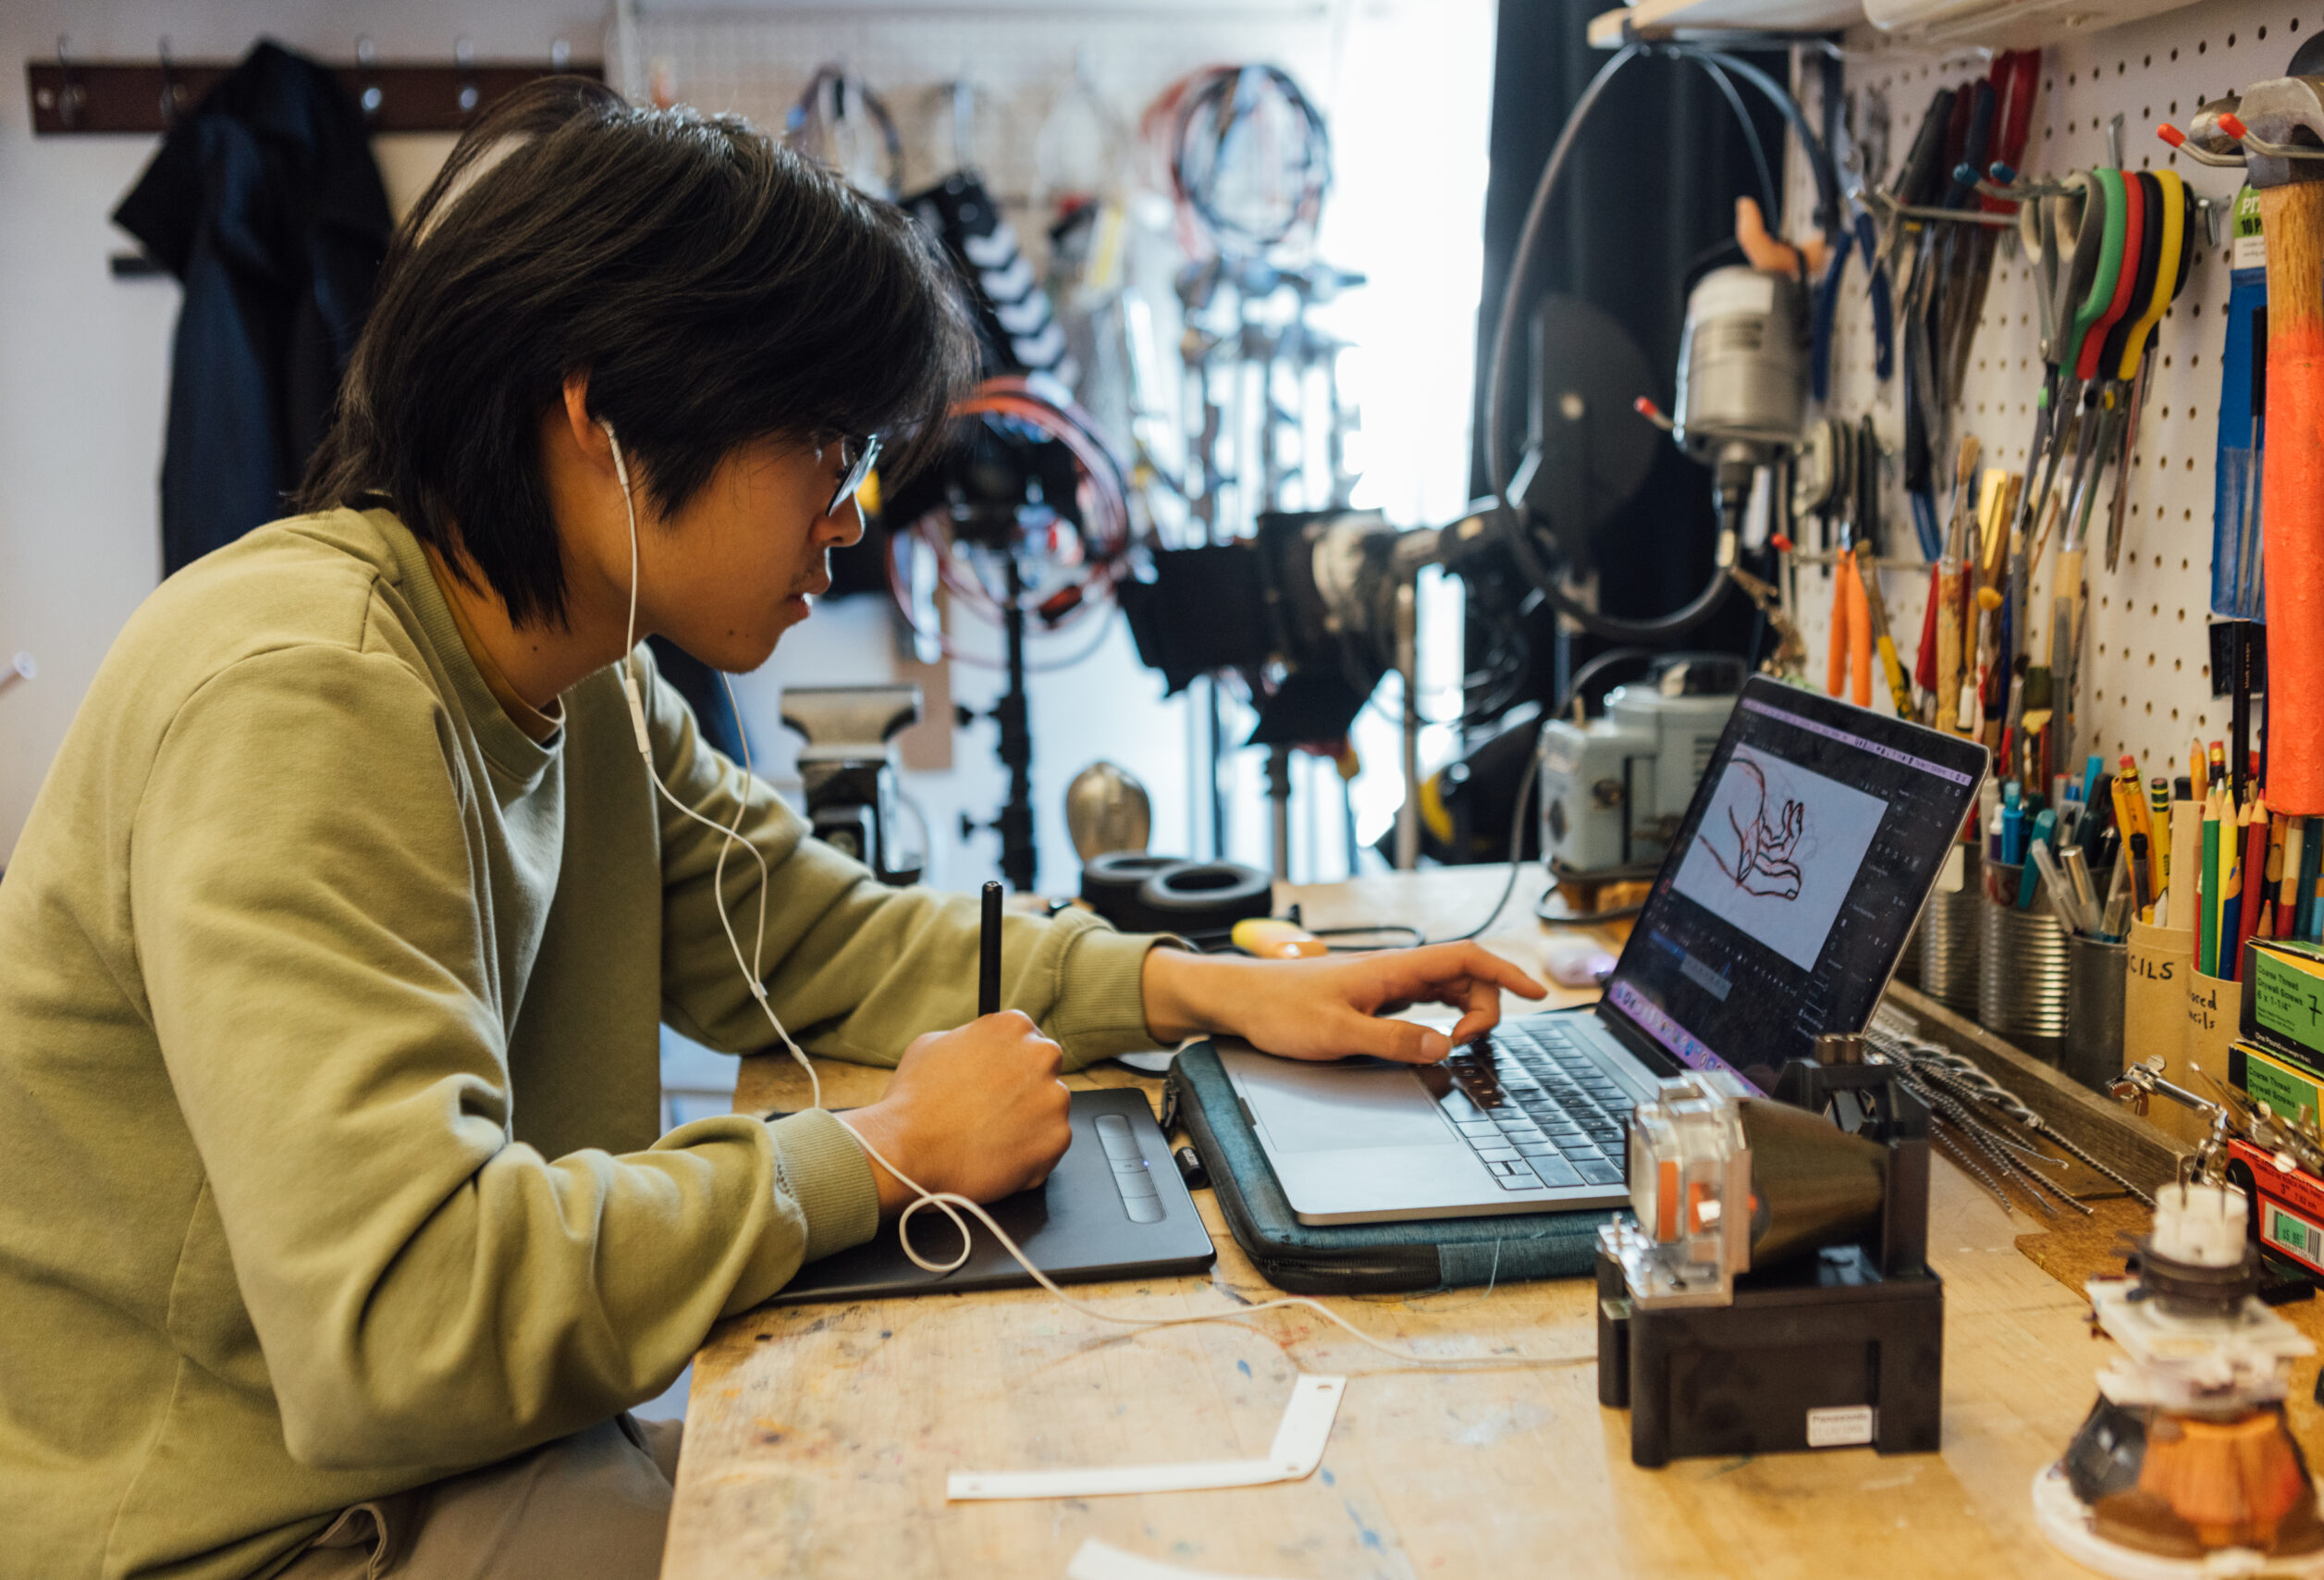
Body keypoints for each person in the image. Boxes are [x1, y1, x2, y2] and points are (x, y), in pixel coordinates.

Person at [0, 80, 1543, 1580]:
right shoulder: (304, 697)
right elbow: (400, 1326)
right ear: (601, 414)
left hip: (461, 1462)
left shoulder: (577, 668)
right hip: (260, 1531)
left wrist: (1209, 989)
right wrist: (875, 1151)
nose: (856, 514)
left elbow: (815, 938)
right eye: (829, 443)